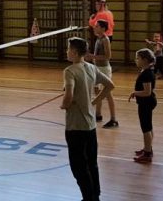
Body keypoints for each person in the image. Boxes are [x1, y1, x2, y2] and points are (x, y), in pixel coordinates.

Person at [60, 37, 114, 201]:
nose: (67, 52)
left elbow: (69, 95)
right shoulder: (91, 68)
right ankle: (95, 196)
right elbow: (110, 85)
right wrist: (94, 102)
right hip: (90, 126)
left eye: (68, 49)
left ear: (75, 52)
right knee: (92, 163)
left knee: (78, 167)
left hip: (76, 126)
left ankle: (88, 197)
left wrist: (64, 105)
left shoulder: (70, 71)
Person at [129, 49, 158, 164]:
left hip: (146, 103)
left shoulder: (147, 74)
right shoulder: (146, 70)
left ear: (145, 60)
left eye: (138, 58)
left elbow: (147, 92)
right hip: (146, 102)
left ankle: (147, 153)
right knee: (148, 127)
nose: (136, 60)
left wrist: (135, 93)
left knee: (146, 128)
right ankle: (148, 148)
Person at [90, 20, 117, 128]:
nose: (94, 27)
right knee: (97, 91)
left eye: (97, 26)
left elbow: (108, 56)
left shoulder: (105, 40)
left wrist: (92, 56)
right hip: (97, 68)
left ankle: (113, 119)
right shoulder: (98, 38)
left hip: (104, 69)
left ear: (103, 28)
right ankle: (98, 115)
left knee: (107, 93)